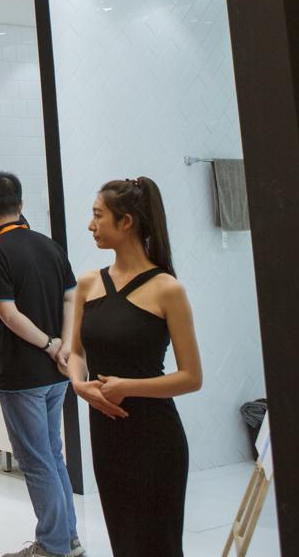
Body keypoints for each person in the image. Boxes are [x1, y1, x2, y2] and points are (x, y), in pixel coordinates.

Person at [67, 178, 202, 557]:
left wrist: (127, 386)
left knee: (158, 547)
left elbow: (191, 377)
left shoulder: (167, 289)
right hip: (106, 435)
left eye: (98, 216)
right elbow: (75, 352)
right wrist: (78, 384)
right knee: (123, 543)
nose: (91, 225)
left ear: (125, 222)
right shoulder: (88, 284)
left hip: (154, 438)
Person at [0, 172, 82, 557]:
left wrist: (50, 345)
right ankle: (69, 539)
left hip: (22, 374)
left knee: (37, 462)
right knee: (52, 456)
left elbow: (8, 313)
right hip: (57, 374)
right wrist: (64, 345)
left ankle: (53, 546)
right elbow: (72, 299)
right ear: (20, 205)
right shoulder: (50, 245)